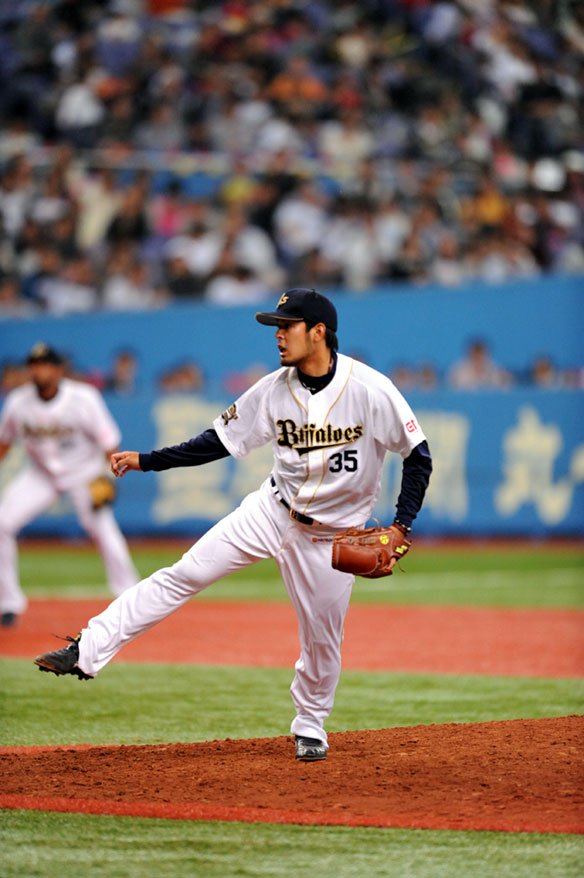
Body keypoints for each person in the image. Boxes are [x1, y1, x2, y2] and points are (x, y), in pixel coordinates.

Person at [34, 290, 432, 761]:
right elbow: (217, 441)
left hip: (329, 536)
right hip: (271, 511)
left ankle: (310, 724)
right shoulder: (272, 389)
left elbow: (418, 456)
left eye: (287, 325)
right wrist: (148, 460)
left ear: (318, 332)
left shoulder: (370, 389)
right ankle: (87, 650)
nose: (278, 335)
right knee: (185, 573)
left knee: (322, 640)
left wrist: (402, 525)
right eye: (276, 326)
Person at [0, 343, 139, 626]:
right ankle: (8, 603)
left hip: (84, 472)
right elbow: (4, 443)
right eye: (34, 365)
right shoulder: (17, 402)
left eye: (45, 365)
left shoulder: (83, 398)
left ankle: (130, 596)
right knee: (2, 523)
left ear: (58, 370)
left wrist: (106, 477)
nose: (39, 371)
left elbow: (109, 442)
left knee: (103, 529)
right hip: (41, 475)